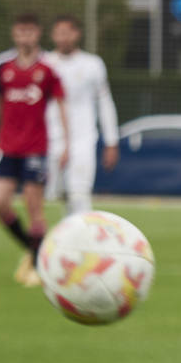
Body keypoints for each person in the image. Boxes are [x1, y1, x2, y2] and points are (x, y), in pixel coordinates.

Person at [0, 13, 69, 287]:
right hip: (7, 147)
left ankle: (38, 265)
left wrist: (66, 142)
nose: (25, 36)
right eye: (20, 32)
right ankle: (36, 252)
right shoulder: (3, 67)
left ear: (37, 34)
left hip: (35, 148)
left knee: (34, 207)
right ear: (14, 34)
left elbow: (62, 106)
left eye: (30, 32)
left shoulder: (47, 69)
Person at [43, 15, 119, 217]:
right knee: (55, 193)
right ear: (52, 35)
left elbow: (105, 103)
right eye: (59, 33)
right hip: (50, 138)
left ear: (77, 34)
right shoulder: (45, 63)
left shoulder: (92, 64)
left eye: (67, 33)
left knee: (79, 193)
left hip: (83, 138)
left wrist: (111, 141)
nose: (63, 38)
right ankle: (64, 238)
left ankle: (81, 242)